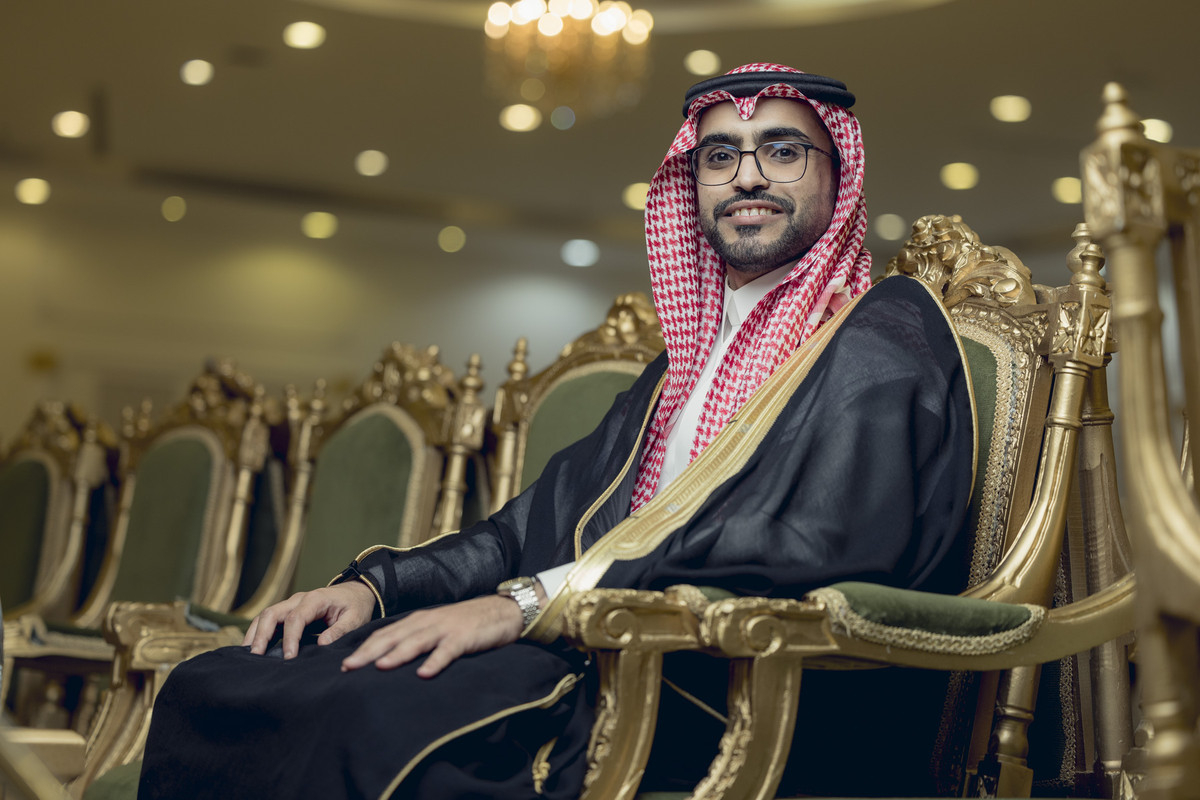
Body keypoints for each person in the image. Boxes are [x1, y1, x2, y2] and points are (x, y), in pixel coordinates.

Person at [138, 63, 975, 799]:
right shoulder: (680, 368)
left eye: (783, 151)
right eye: (720, 156)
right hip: (593, 649)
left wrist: (530, 604)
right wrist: (377, 588)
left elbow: (811, 545)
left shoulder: (877, 335)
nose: (747, 176)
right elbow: (524, 530)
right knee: (229, 683)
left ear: (838, 172)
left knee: (368, 712)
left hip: (727, 688)